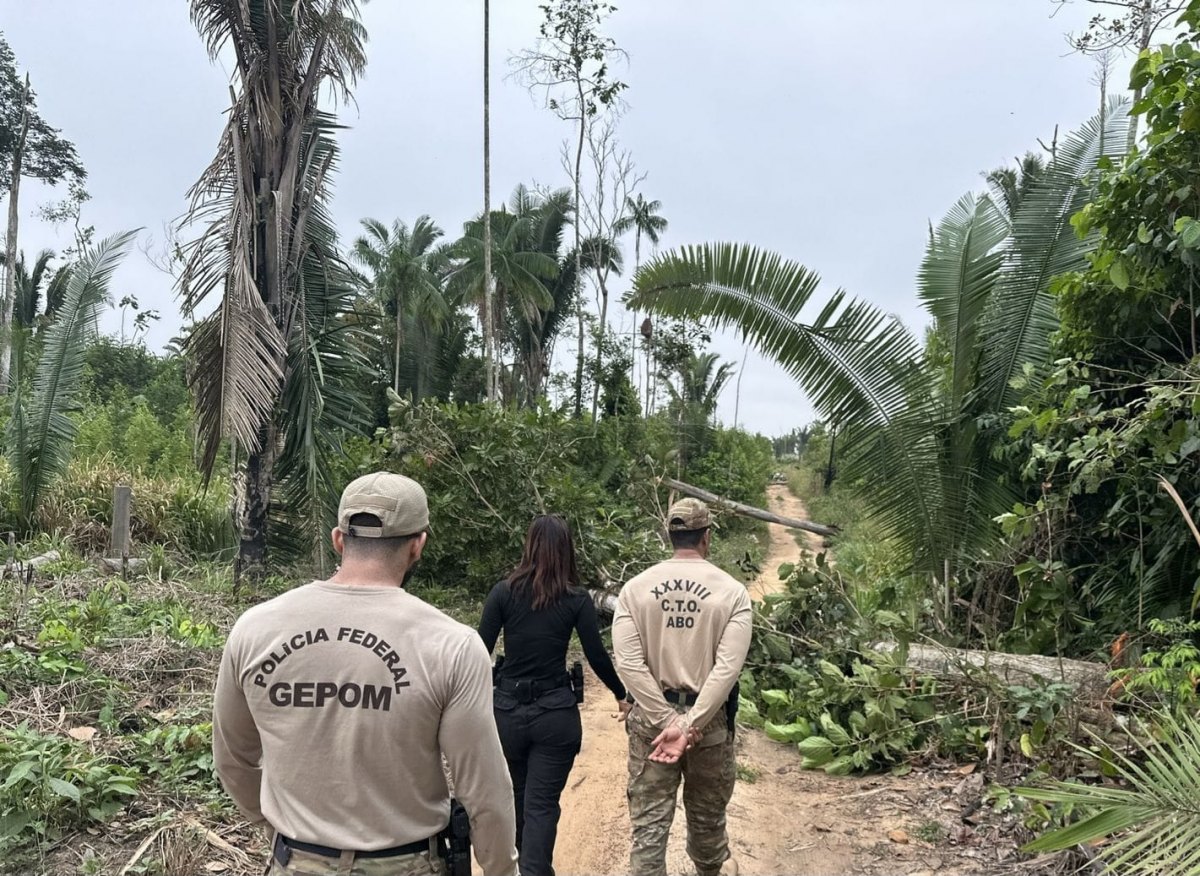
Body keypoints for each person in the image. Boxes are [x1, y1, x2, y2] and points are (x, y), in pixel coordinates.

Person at [212, 472, 519, 876]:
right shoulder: (451, 645)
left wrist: (275, 826)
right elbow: (484, 792)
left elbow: (232, 759)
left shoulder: (255, 628)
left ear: (338, 539)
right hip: (406, 865)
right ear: (418, 545)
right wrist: (501, 870)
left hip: (295, 862)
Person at [477, 514, 631, 876]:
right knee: (541, 805)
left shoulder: (503, 592)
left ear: (529, 545)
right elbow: (596, 654)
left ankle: (516, 867)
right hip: (555, 715)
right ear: (566, 550)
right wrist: (621, 694)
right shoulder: (575, 600)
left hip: (507, 713)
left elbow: (476, 649)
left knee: (516, 798)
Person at [612, 498, 753, 876]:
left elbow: (627, 662)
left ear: (669, 536)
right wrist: (688, 725)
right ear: (705, 537)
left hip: (651, 731)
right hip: (708, 728)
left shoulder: (635, 589)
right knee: (708, 829)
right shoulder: (733, 592)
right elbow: (727, 670)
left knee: (649, 832)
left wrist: (666, 721)